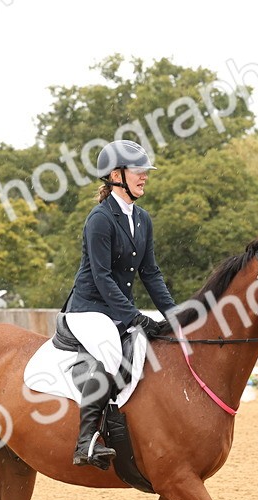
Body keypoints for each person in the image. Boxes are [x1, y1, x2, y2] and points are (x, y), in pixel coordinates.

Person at [60, 139, 175, 469]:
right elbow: (101, 276)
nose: (144, 176)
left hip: (118, 309)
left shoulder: (142, 219)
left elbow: (150, 273)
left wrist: (175, 316)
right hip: (89, 309)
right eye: (138, 171)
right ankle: (86, 441)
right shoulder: (100, 219)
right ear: (115, 175)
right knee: (112, 353)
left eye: (145, 172)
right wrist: (134, 317)